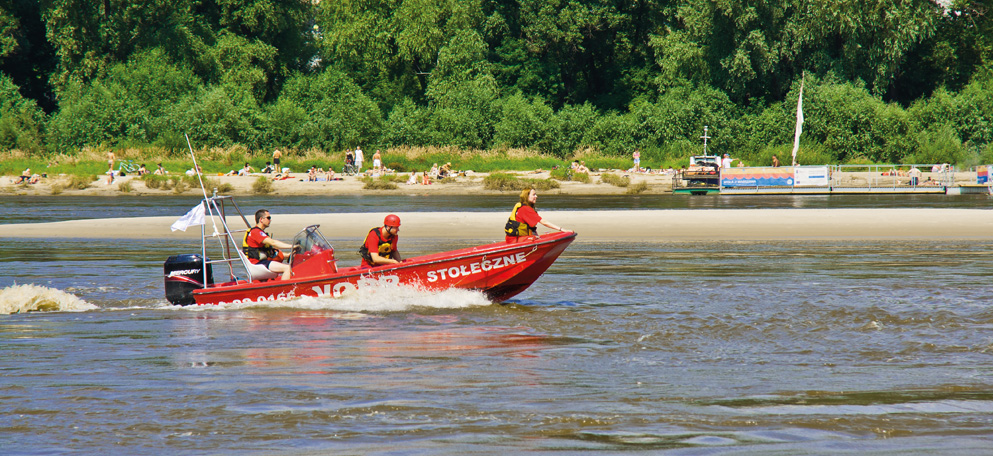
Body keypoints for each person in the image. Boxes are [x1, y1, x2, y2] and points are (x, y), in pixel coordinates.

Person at [242, 209, 296, 280]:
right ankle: (286, 291)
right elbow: (273, 243)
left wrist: (289, 254)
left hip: (261, 262)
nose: (270, 220)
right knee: (287, 268)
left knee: (285, 265)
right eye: (268, 218)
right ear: (261, 219)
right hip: (257, 264)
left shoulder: (259, 232)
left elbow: (272, 252)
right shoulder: (256, 232)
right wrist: (292, 246)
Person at [504, 188, 571, 242]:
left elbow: (531, 228)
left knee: (536, 238)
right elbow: (543, 222)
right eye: (534, 195)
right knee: (535, 239)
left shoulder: (524, 207)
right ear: (527, 196)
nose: (536, 196)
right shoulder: (525, 209)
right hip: (516, 240)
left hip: (513, 239)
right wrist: (562, 229)